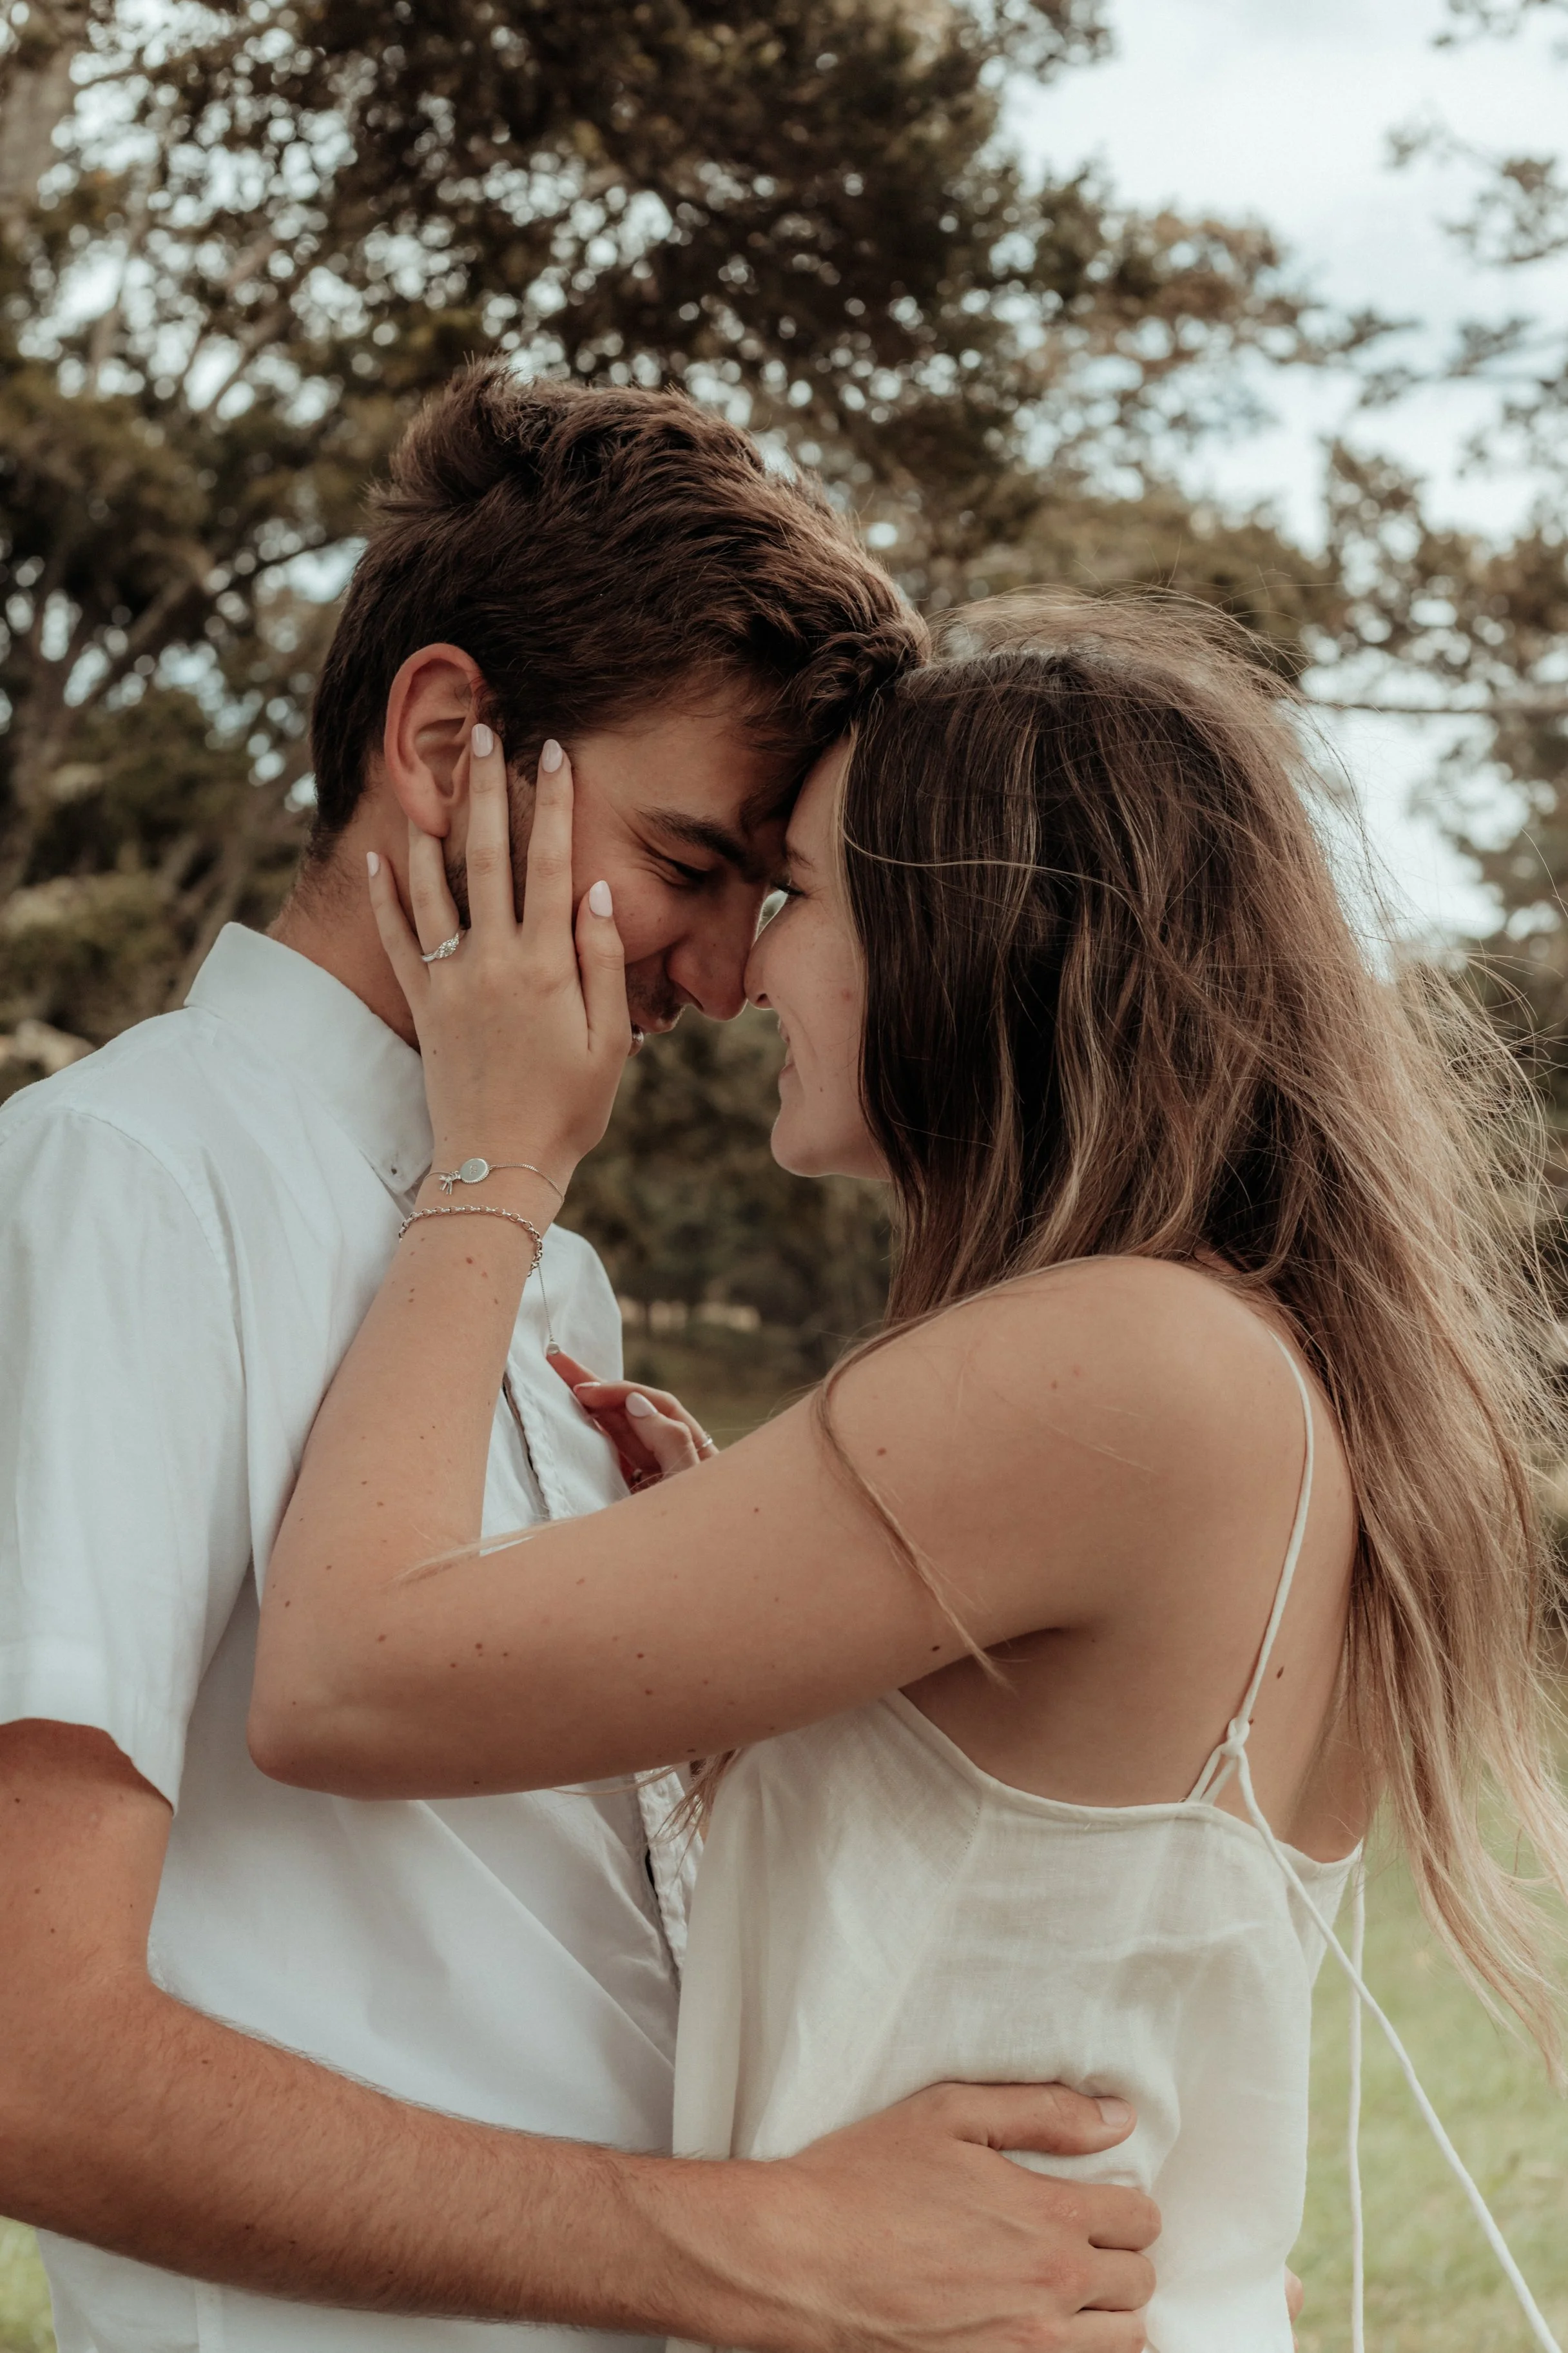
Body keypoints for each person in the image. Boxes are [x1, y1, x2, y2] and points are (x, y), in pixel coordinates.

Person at [251, 594, 1568, 2353]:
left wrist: (495, 1150)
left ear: (973, 935)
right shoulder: (1219, 1363)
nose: (735, 972)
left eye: (794, 892)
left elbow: (341, 1677)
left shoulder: (1118, 1367)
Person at [0, 378, 1161, 2353]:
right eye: (690, 860)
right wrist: (754, 2248)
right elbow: (30, 2058)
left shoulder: (544, 1274)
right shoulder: (121, 1182)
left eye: (765, 898)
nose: (722, 976)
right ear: (447, 743)